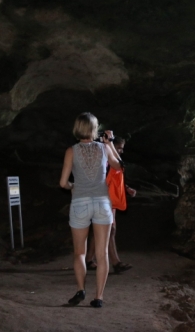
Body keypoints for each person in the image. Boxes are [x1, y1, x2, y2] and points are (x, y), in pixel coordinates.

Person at [59, 112, 121, 308]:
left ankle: (80, 289)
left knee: (80, 253)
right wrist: (110, 143)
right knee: (102, 253)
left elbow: (62, 183)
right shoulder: (104, 148)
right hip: (102, 203)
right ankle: (99, 298)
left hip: (79, 203)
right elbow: (119, 166)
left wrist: (72, 186)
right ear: (95, 129)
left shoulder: (71, 151)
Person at [86, 136, 136, 274]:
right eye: (119, 148)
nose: (120, 151)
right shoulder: (104, 158)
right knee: (110, 229)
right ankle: (116, 263)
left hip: (108, 198)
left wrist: (126, 188)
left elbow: (114, 176)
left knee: (100, 230)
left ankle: (89, 259)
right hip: (103, 198)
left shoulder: (109, 160)